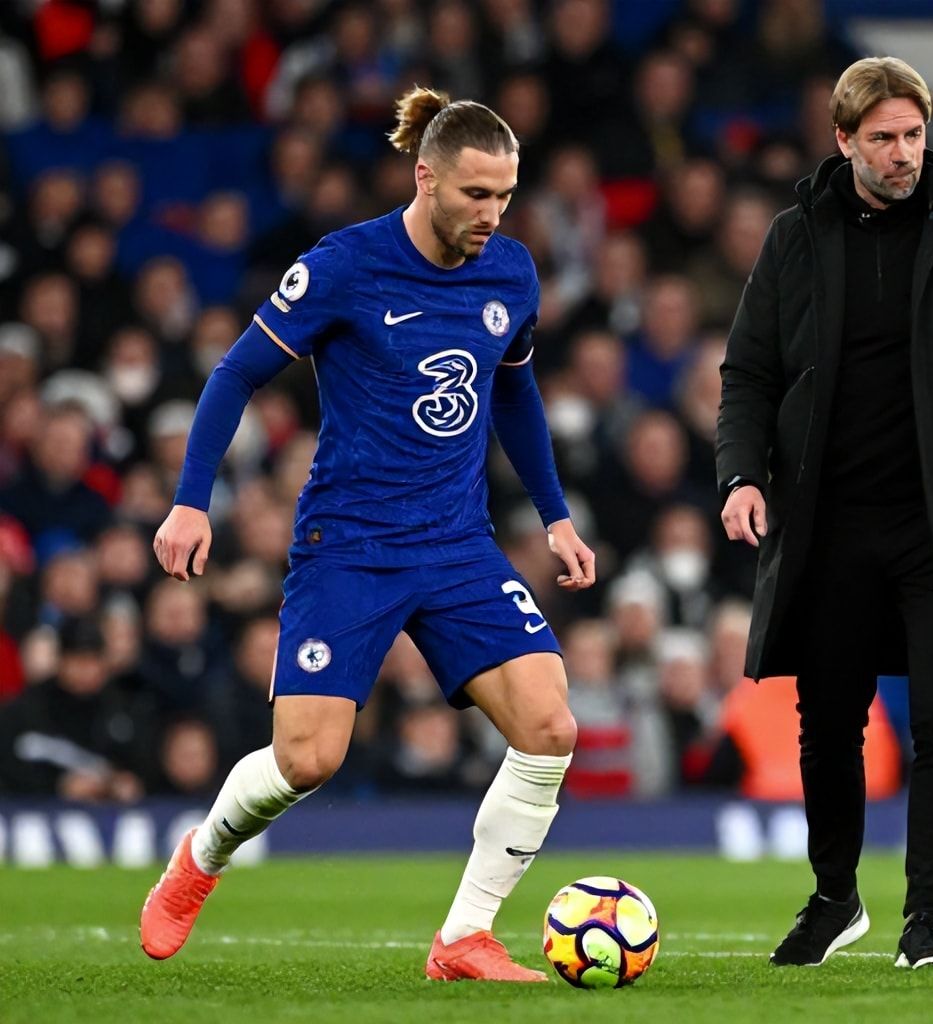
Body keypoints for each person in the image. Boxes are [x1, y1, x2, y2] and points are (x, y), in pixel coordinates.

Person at [138, 87, 596, 983]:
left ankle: (463, 938)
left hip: (457, 541)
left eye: (504, 196)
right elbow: (235, 373)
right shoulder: (345, 265)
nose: (491, 215)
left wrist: (555, 514)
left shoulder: (510, 272)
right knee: (309, 759)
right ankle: (201, 858)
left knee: (549, 726)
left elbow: (513, 390)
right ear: (425, 177)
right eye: (475, 195)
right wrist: (191, 501)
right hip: (348, 543)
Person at [716, 56, 933, 969]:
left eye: (913, 135)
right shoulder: (795, 237)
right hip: (827, 522)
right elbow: (747, 372)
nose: (903, 154)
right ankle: (835, 900)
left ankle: (927, 926)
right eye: (882, 139)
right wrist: (740, 476)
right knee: (827, 724)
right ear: (843, 141)